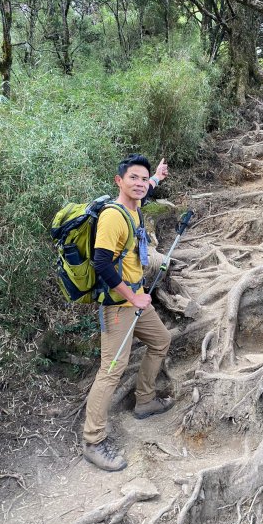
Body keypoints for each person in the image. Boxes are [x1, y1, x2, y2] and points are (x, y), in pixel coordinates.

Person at [82, 154, 173, 472]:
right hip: (119, 306)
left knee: (161, 340)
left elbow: (146, 188)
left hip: (136, 302)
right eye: (133, 178)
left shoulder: (134, 207)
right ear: (118, 181)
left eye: (144, 179)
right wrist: (132, 297)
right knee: (111, 370)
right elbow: (102, 262)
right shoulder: (113, 216)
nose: (140, 183)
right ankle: (93, 441)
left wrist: (157, 177)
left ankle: (145, 401)